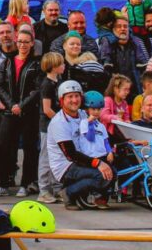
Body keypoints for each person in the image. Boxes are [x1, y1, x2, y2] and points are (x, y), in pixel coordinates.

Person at [46, 80, 114, 210]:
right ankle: (68, 193)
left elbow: (101, 132)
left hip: (82, 159)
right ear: (62, 100)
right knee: (101, 175)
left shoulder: (83, 114)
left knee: (112, 172)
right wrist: (98, 163)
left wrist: (124, 141)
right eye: (69, 97)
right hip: (66, 166)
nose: (74, 100)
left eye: (76, 96)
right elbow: (71, 155)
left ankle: (97, 197)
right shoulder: (59, 123)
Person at [0, 28, 41, 198]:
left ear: (32, 43)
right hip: (9, 111)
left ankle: (26, 183)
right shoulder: (6, 62)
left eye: (26, 42)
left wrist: (22, 105)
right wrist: (11, 104)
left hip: (29, 113)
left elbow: (37, 89)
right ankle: (3, 183)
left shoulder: (37, 63)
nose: (22, 45)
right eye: (19, 41)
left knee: (29, 148)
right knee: (2, 145)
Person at [37, 51, 65, 204]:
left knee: (58, 157)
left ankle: (57, 188)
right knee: (46, 158)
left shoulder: (58, 81)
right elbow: (47, 109)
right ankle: (44, 190)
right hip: (48, 127)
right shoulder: (47, 84)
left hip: (56, 126)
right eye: (61, 64)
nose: (64, 66)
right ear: (53, 67)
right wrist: (61, 120)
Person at [79, 90, 115, 208]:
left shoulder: (101, 126)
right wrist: (90, 123)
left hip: (102, 155)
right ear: (87, 110)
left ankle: (103, 198)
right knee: (101, 176)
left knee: (112, 174)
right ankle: (95, 193)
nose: (96, 112)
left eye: (98, 109)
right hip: (91, 156)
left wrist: (109, 152)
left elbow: (105, 141)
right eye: (93, 109)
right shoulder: (84, 123)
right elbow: (90, 137)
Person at [107, 14, 146, 96]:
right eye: (119, 26)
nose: (122, 29)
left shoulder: (136, 46)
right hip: (115, 94)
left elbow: (144, 70)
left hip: (136, 92)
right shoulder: (108, 47)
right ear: (113, 30)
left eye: (125, 26)